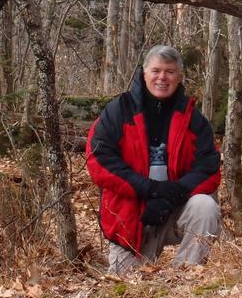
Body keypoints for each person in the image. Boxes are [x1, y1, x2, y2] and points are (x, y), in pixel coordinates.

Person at [86, 45, 221, 275]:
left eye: (170, 71)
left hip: (174, 209)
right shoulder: (119, 111)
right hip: (131, 218)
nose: (162, 77)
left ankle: (184, 280)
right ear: (144, 72)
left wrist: (171, 195)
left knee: (205, 207)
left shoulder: (192, 119)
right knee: (127, 293)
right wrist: (151, 190)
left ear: (179, 77)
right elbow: (99, 161)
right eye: (156, 70)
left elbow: (208, 167)